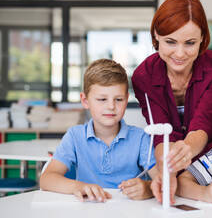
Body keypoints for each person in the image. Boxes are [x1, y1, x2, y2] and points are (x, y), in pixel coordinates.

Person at [131, 0, 212, 203]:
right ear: (156, 36)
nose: (180, 53)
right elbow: (160, 131)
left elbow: (204, 122)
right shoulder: (143, 76)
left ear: (203, 38)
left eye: (190, 43)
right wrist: (167, 172)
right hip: (169, 159)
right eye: (170, 42)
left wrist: (186, 151)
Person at [40, 59, 158, 202]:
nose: (111, 106)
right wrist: (79, 186)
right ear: (85, 100)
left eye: (118, 99)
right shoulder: (75, 136)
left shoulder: (141, 138)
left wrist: (148, 188)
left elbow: (164, 181)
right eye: (102, 99)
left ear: (127, 100)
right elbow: (46, 179)